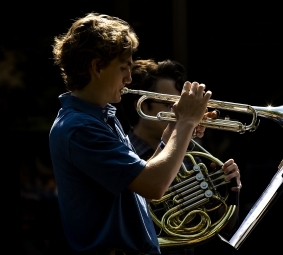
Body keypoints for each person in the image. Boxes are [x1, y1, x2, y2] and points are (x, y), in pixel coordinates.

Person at [49, 12, 241, 255]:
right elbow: (154, 186)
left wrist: (174, 131)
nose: (129, 79)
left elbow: (139, 188)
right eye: (123, 68)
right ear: (97, 67)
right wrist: (185, 123)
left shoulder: (102, 117)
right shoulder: (79, 128)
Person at [118, 59, 242, 255]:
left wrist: (230, 190)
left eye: (181, 106)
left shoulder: (188, 153)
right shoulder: (122, 153)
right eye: (170, 105)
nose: (180, 113)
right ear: (142, 106)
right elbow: (129, 214)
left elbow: (223, 225)